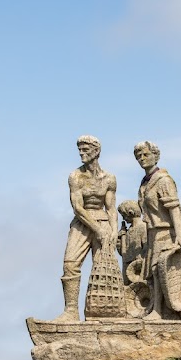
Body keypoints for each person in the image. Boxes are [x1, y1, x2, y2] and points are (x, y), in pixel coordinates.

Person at [53, 135, 117, 322]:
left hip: (103, 222)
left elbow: (111, 208)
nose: (81, 153)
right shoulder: (76, 176)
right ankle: (71, 310)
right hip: (83, 223)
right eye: (79, 149)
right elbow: (78, 208)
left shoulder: (109, 178)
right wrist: (98, 229)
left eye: (85, 149)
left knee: (103, 266)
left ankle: (101, 312)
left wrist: (113, 231)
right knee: (70, 264)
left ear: (96, 151)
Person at [135, 140, 181, 320]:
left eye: (146, 155)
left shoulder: (163, 180)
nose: (142, 159)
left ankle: (159, 311)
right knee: (152, 272)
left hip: (167, 231)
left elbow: (173, 208)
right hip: (153, 232)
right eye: (139, 156)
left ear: (155, 156)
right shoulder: (145, 182)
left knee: (160, 269)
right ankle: (157, 308)